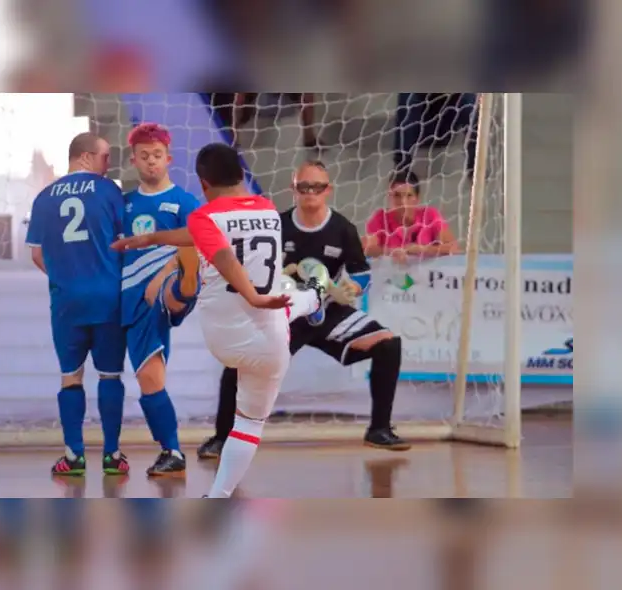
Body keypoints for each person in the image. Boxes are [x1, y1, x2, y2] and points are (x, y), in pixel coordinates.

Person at [114, 143, 328, 499]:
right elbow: (210, 238)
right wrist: (152, 238)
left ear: (203, 183)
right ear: (242, 175)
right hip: (271, 341)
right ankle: (315, 295)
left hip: (223, 339)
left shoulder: (203, 217)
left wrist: (252, 295)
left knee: (278, 296)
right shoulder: (270, 210)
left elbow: (224, 254)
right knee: (248, 423)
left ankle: (309, 297)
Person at [197, 160, 411, 460]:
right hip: (284, 312)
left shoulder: (342, 228)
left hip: (327, 309)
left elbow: (361, 272)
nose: (311, 192)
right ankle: (222, 437)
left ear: (328, 190)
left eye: (317, 187)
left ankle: (379, 429)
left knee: (388, 343)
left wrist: (353, 288)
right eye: (304, 186)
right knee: (239, 362)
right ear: (293, 189)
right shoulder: (275, 224)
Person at [25, 132, 128, 476]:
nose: (109, 164)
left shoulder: (43, 198)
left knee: (71, 378)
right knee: (110, 375)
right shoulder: (109, 190)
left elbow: (37, 253)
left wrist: (64, 278)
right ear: (84, 156)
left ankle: (73, 457)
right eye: (105, 156)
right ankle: (112, 456)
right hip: (108, 298)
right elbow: (124, 240)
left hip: (67, 301)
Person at [120, 123, 203, 477]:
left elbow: (197, 245)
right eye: (144, 156)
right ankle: (171, 452)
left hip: (163, 286)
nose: (151, 162)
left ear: (168, 158)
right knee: (150, 380)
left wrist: (164, 272)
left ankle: (182, 284)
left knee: (180, 273)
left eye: (157, 156)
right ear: (134, 160)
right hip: (131, 298)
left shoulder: (184, 202)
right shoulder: (124, 205)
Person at [362, 170, 461, 263]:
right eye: (397, 195)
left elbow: (453, 248)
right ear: (389, 197)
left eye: (409, 196)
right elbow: (366, 248)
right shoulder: (380, 218)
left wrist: (421, 249)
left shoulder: (430, 215)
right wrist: (391, 252)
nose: (402, 202)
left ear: (417, 199)